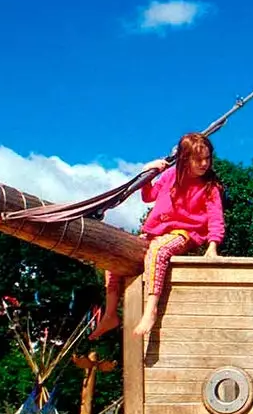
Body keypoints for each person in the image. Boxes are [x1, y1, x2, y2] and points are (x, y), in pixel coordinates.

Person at [96, 132, 225, 344]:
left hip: (184, 233)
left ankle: (150, 309)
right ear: (184, 158)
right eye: (198, 159)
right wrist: (148, 172)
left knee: (158, 251)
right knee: (115, 253)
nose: (204, 163)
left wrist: (212, 246)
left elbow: (215, 218)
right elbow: (148, 196)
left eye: (208, 158)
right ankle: (110, 314)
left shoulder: (211, 186)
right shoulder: (170, 176)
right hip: (156, 231)